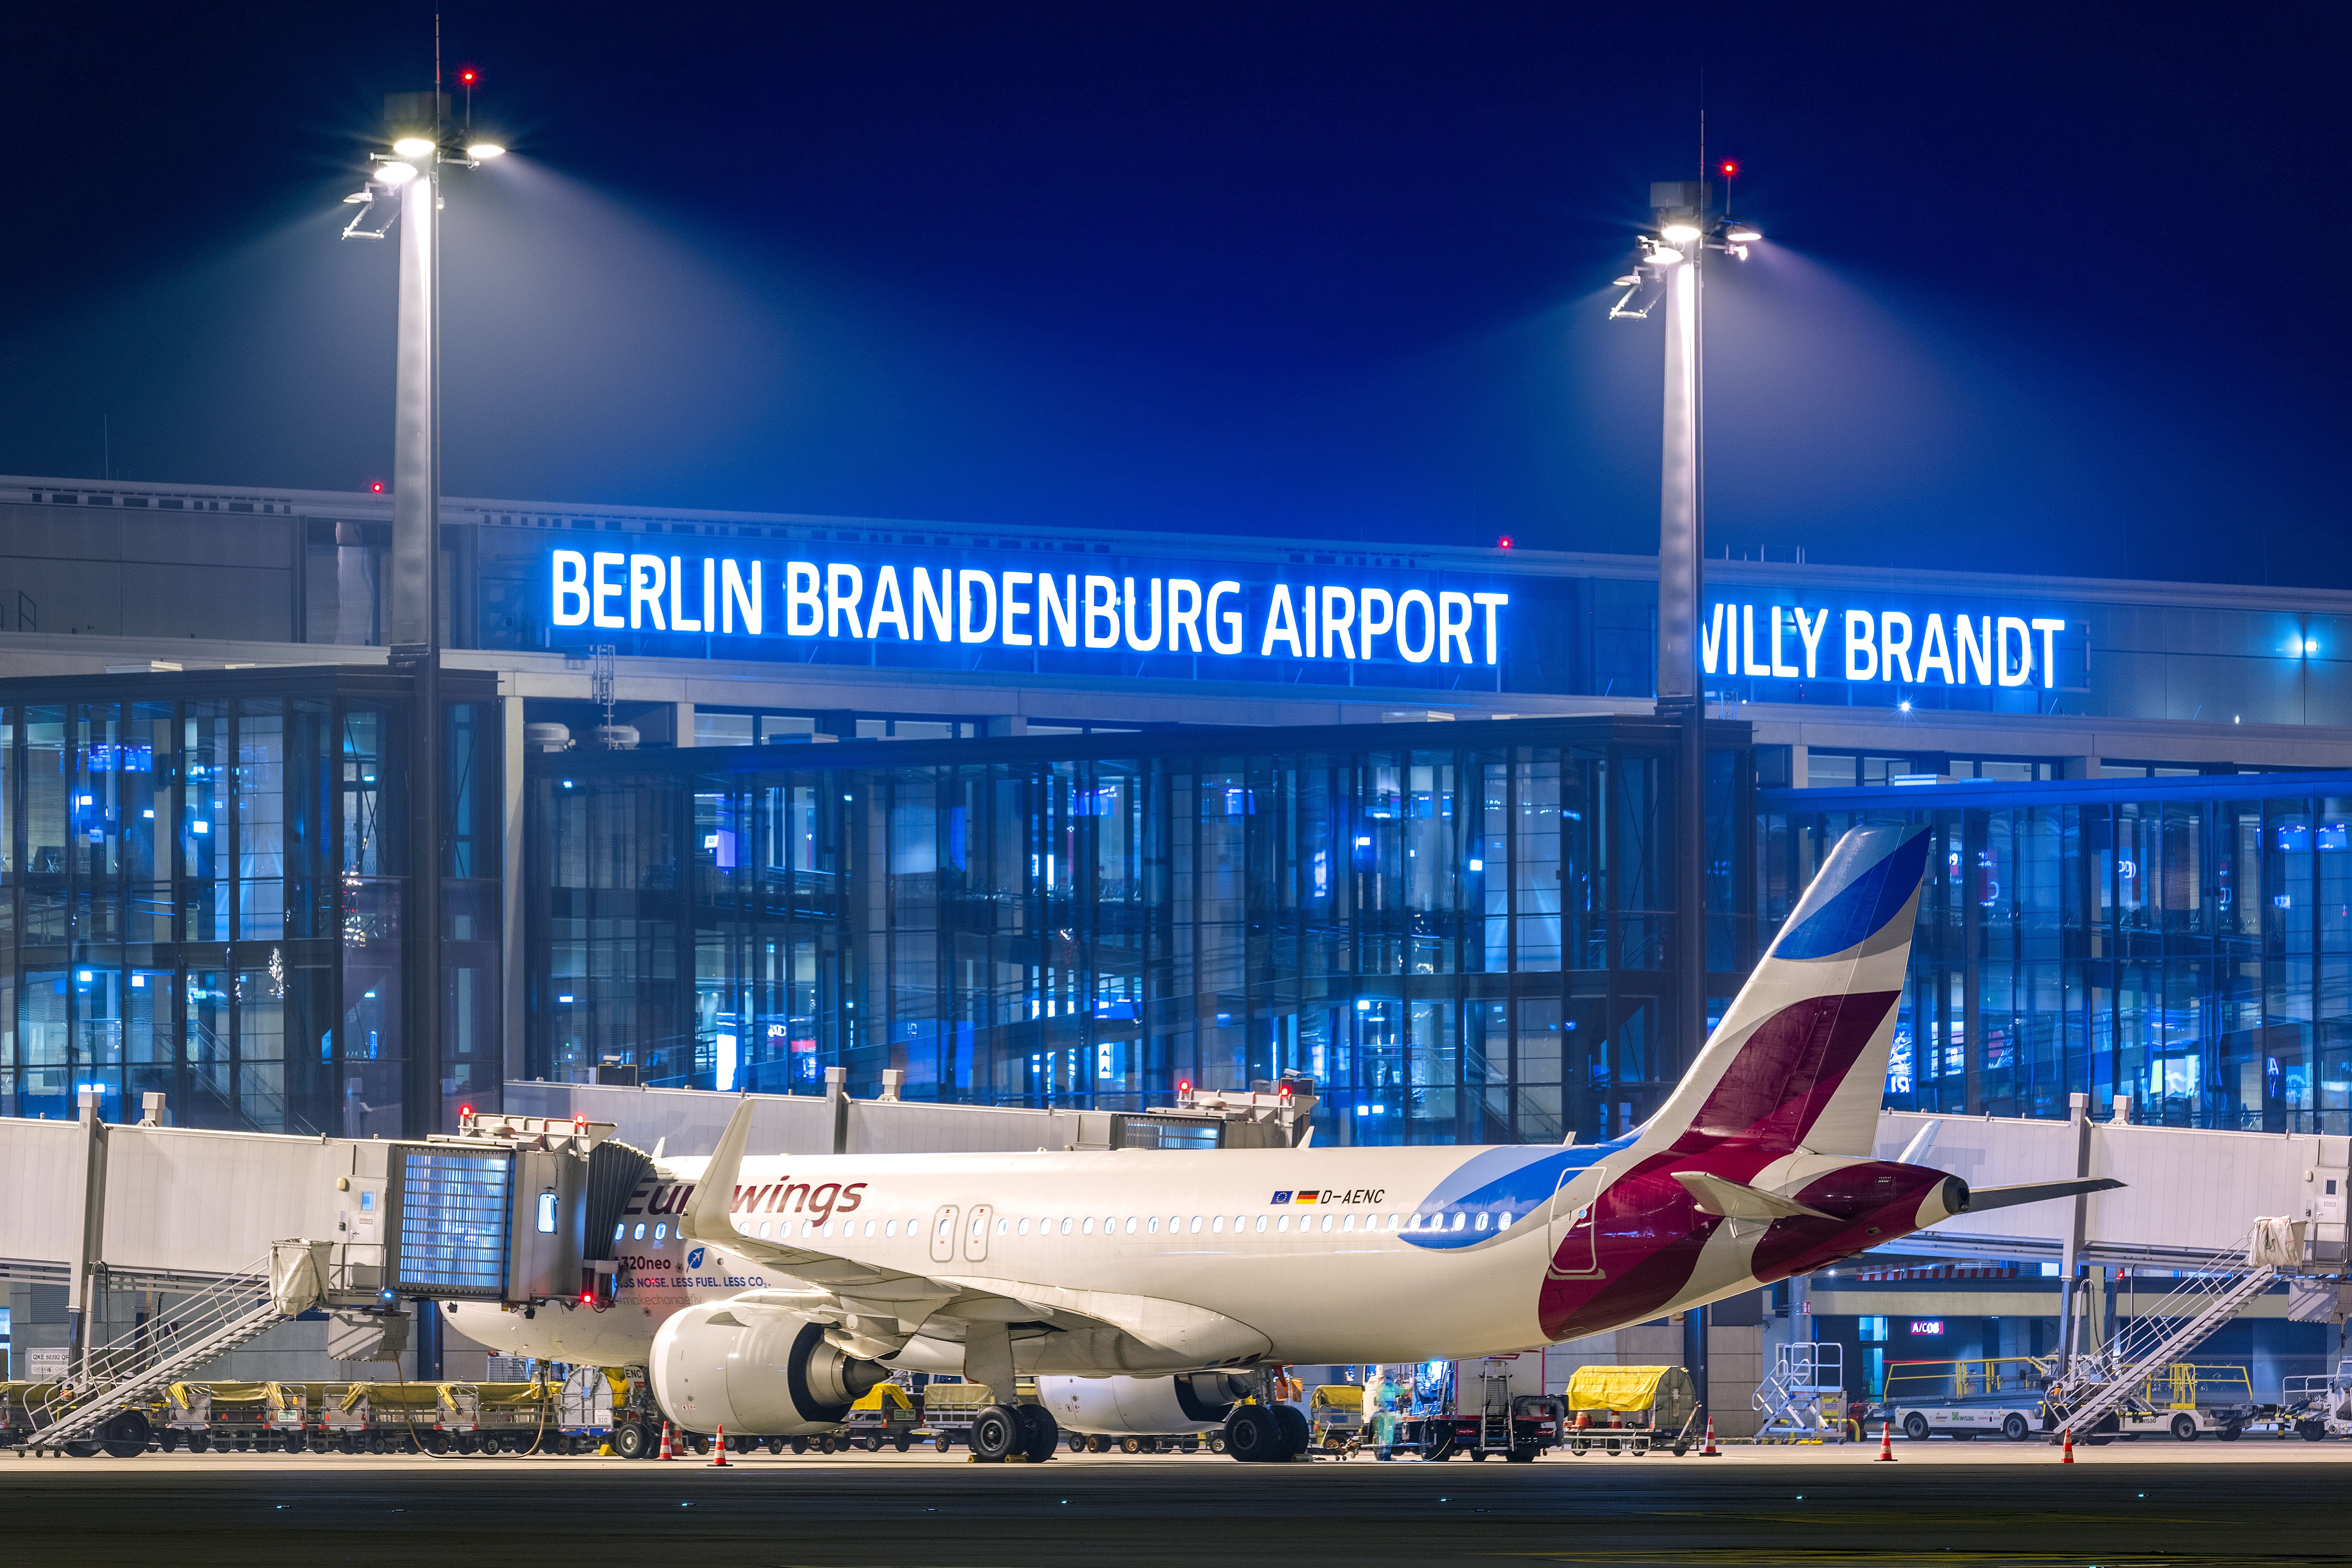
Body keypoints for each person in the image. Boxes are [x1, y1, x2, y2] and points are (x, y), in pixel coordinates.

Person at [1366, 1367, 1398, 1461]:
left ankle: (1385, 1455)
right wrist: (1389, 1408)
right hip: (1385, 1414)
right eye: (1391, 1377)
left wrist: (1410, 1389)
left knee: (1385, 1435)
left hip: (1387, 1414)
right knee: (1387, 1434)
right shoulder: (1383, 1387)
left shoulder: (1391, 1387)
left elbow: (1401, 1391)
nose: (1392, 1379)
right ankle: (1385, 1456)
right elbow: (1381, 1399)